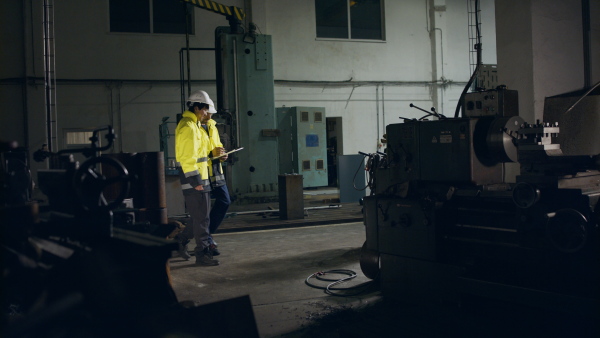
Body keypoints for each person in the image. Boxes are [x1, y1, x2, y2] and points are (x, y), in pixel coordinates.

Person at [174, 90, 219, 266]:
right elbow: (187, 158)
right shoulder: (188, 127)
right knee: (202, 219)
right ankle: (202, 254)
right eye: (205, 110)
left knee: (199, 217)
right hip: (195, 181)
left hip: (201, 179)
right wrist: (195, 182)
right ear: (197, 107)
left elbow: (201, 155)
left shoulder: (195, 126)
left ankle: (180, 241)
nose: (207, 114)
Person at [199, 99, 231, 256]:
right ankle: (202, 242)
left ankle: (207, 236)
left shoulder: (212, 126)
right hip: (201, 172)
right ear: (200, 109)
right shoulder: (192, 127)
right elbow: (192, 152)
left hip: (215, 171)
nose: (210, 115)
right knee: (200, 212)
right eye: (208, 112)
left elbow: (215, 147)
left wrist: (222, 155)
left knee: (225, 201)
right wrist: (212, 154)